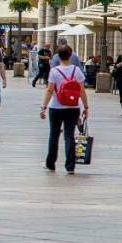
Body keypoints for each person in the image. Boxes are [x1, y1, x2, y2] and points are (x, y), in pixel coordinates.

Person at [40, 44, 88, 173]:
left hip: (56, 107)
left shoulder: (54, 71)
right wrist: (85, 107)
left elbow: (50, 90)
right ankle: (70, 166)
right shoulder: (76, 70)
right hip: (73, 107)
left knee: (54, 135)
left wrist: (43, 106)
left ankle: (50, 163)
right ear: (70, 55)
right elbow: (82, 91)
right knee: (69, 136)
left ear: (58, 56)